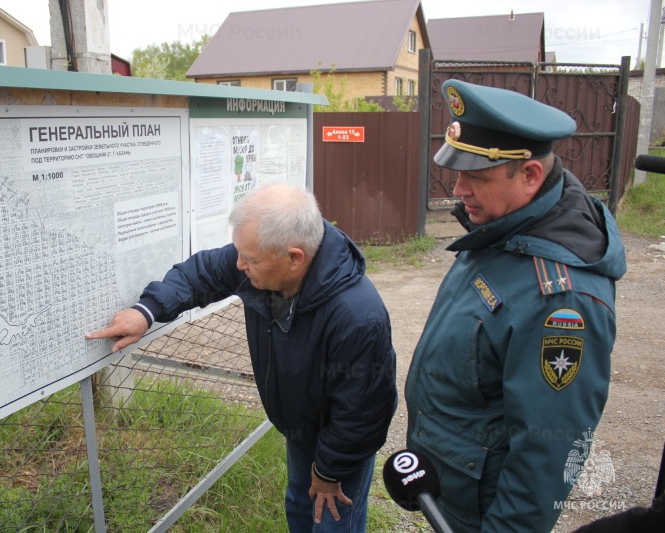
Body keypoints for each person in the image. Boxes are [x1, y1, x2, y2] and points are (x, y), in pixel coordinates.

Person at [87, 183, 398, 532]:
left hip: (340, 441)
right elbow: (202, 272)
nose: (239, 265)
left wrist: (329, 472)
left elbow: (363, 413)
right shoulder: (264, 258)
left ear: (295, 258)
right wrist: (147, 311)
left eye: (249, 259)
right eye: (239, 253)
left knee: (330, 520)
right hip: (301, 425)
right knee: (299, 502)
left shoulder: (357, 316)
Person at [404, 80, 627, 532]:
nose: (458, 188)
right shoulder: (504, 226)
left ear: (529, 176)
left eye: (476, 176)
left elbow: (547, 455)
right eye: (457, 171)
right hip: (452, 491)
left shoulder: (562, 298)